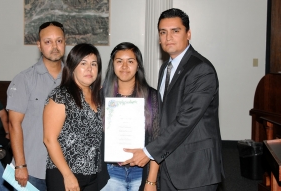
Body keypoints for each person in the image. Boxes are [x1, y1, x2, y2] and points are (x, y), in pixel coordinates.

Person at [122, 8, 224, 191]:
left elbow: (186, 120)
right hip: (168, 164)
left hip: (195, 169)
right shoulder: (166, 68)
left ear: (188, 34)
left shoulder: (201, 70)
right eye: (163, 32)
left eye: (175, 31)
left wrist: (148, 151)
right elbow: (164, 115)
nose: (168, 37)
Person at [6, 21, 66, 190]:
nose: (54, 46)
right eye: (48, 41)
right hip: (32, 169)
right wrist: (20, 165)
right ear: (39, 45)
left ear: (65, 43)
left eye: (59, 41)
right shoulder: (24, 79)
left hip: (66, 169)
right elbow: (14, 123)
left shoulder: (75, 79)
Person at [99, 42, 160, 191]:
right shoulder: (101, 96)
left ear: (138, 65)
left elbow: (158, 140)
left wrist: (151, 181)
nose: (124, 66)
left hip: (141, 172)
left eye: (130, 61)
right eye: (119, 61)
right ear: (112, 65)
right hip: (110, 173)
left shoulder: (152, 96)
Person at [43, 43, 102, 191]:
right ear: (73, 66)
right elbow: (49, 139)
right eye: (83, 63)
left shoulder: (100, 97)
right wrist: (68, 175)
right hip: (64, 174)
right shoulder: (61, 95)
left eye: (93, 64)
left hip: (93, 175)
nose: (89, 68)